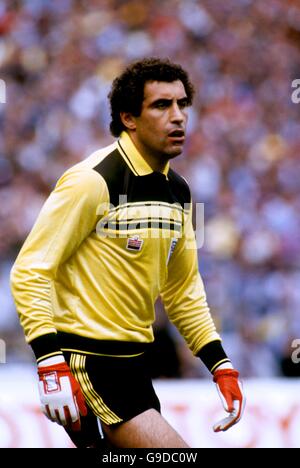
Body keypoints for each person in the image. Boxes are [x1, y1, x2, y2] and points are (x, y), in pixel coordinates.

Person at [10, 57, 245, 448]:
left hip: (136, 365)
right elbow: (30, 270)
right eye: (161, 105)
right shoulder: (92, 181)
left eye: (182, 104)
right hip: (87, 362)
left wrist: (220, 364)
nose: (178, 117)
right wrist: (50, 362)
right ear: (129, 118)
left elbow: (183, 291)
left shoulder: (179, 192)